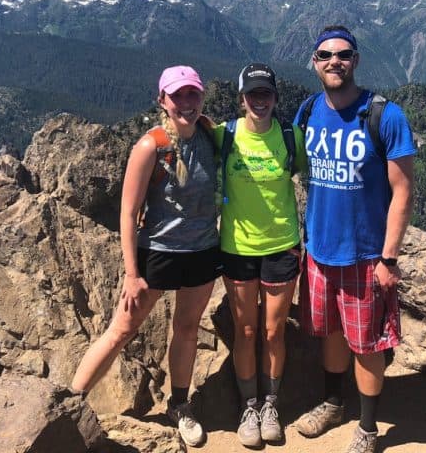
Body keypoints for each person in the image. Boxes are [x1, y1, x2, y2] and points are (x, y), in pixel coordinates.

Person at [71, 65, 219, 447]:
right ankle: (70, 405)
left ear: (202, 96)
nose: (186, 102)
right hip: (157, 254)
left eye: (192, 94)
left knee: (187, 329)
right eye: (178, 95)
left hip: (202, 250)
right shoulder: (149, 146)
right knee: (121, 330)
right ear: (162, 101)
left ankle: (180, 404)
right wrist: (131, 273)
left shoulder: (208, 133)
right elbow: (127, 211)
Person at [293, 26, 416, 453]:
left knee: (366, 344)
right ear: (314, 62)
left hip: (366, 255)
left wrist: (389, 258)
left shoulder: (385, 115)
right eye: (325, 55)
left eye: (343, 55)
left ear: (356, 60)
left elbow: (403, 190)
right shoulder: (308, 112)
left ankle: (367, 427)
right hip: (320, 251)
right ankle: (332, 402)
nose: (334, 62)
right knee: (330, 333)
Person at [216, 63, 306, 447]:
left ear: (274, 97)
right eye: (253, 94)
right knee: (246, 330)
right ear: (241, 98)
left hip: (281, 245)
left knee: (273, 331)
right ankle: (248, 406)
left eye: (266, 93)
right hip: (237, 247)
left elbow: (307, 175)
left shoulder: (290, 135)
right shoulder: (224, 135)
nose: (260, 101)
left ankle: (270, 404)